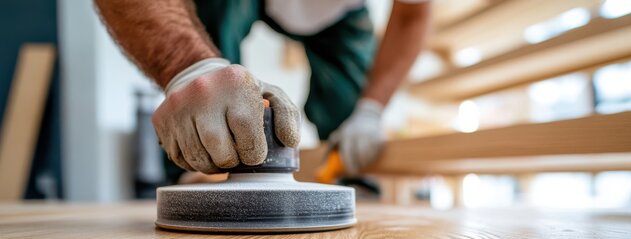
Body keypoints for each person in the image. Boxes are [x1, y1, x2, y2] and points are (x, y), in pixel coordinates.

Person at [95, 0, 431, 178]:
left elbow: (411, 15)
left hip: (339, 9)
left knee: (351, 100)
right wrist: (189, 68)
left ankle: (351, 180)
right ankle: (198, 173)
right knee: (210, 73)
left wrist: (370, 111)